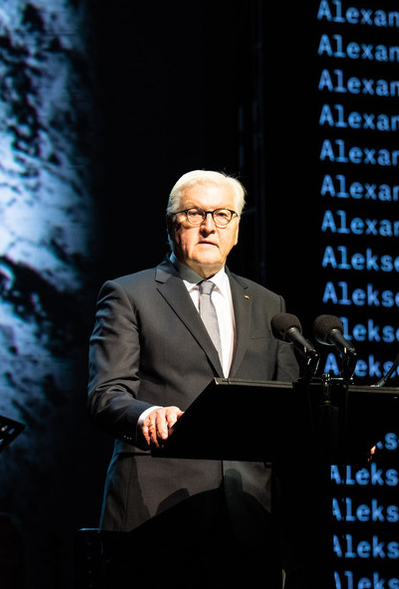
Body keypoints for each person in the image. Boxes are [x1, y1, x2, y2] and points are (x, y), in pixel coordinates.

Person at [88, 170, 300, 588]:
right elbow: (105, 393)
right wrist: (145, 414)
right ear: (171, 223)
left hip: (247, 515)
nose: (209, 226)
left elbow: (286, 404)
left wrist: (334, 431)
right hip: (156, 510)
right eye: (195, 213)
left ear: (237, 228)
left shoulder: (267, 303)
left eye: (223, 214)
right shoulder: (129, 295)